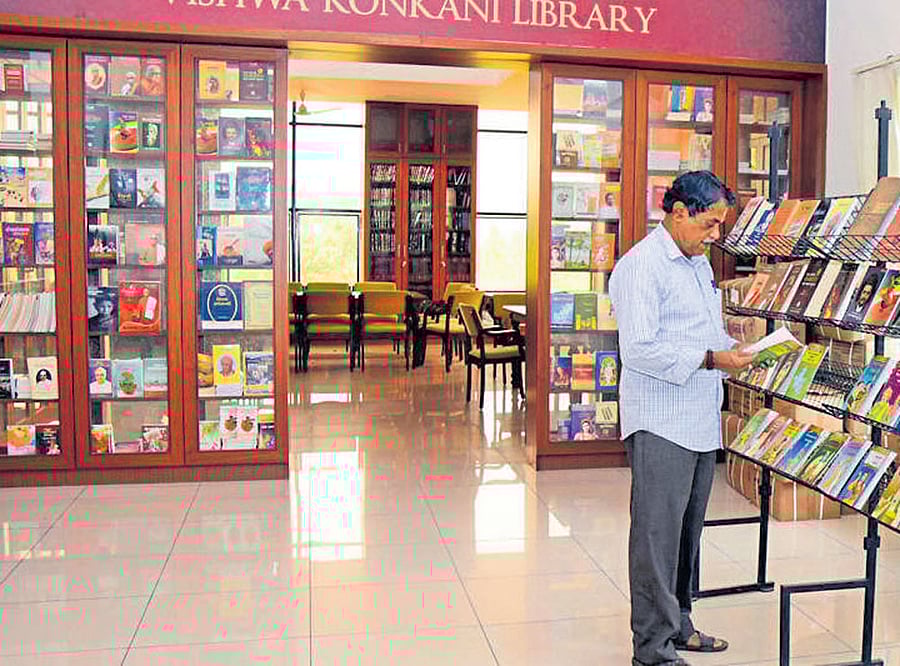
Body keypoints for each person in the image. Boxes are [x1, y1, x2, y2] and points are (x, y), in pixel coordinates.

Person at [609, 170, 754, 666]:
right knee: (656, 538)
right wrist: (713, 359)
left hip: (698, 418)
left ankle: (680, 625)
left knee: (687, 535)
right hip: (661, 421)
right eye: (709, 225)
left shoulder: (695, 264)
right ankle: (652, 649)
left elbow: (700, 331)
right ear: (677, 213)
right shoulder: (640, 267)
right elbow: (641, 349)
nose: (716, 237)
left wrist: (735, 349)